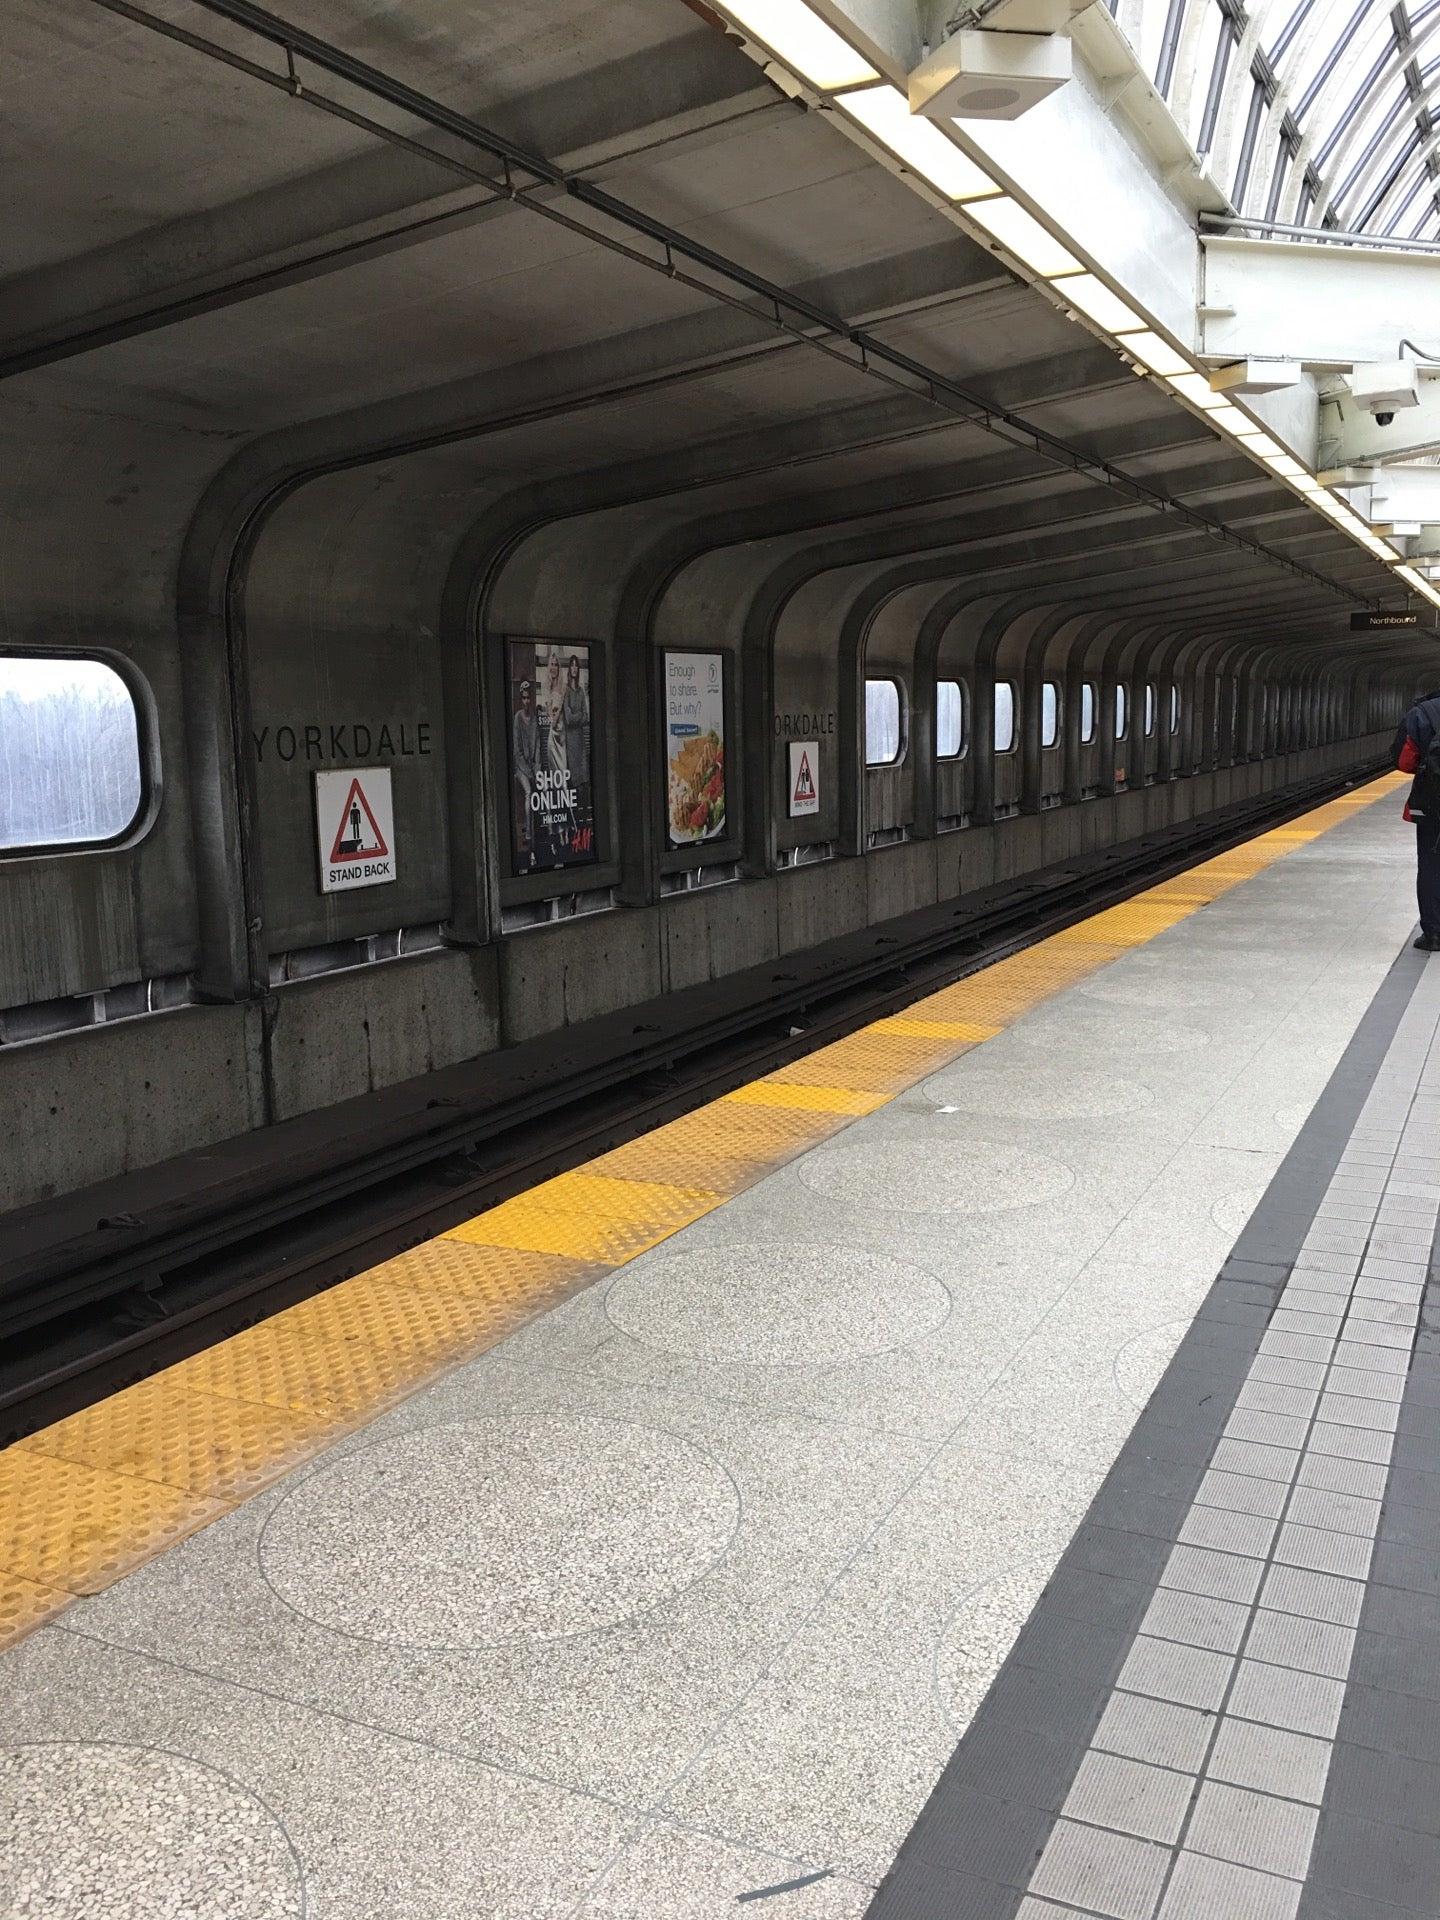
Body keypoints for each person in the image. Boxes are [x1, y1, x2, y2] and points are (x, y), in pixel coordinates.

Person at [1394, 687, 1440, 950]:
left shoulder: (1423, 711)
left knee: (1431, 864)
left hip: (1432, 800)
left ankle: (1434, 933)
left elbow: (1404, 761)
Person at [511, 677, 538, 868]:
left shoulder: (535, 718)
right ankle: (528, 834)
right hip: (520, 769)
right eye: (524, 698)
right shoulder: (517, 718)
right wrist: (528, 771)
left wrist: (536, 770)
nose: (527, 702)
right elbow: (517, 751)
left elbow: (537, 747)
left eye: (529, 698)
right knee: (529, 793)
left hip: (533, 767)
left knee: (543, 792)